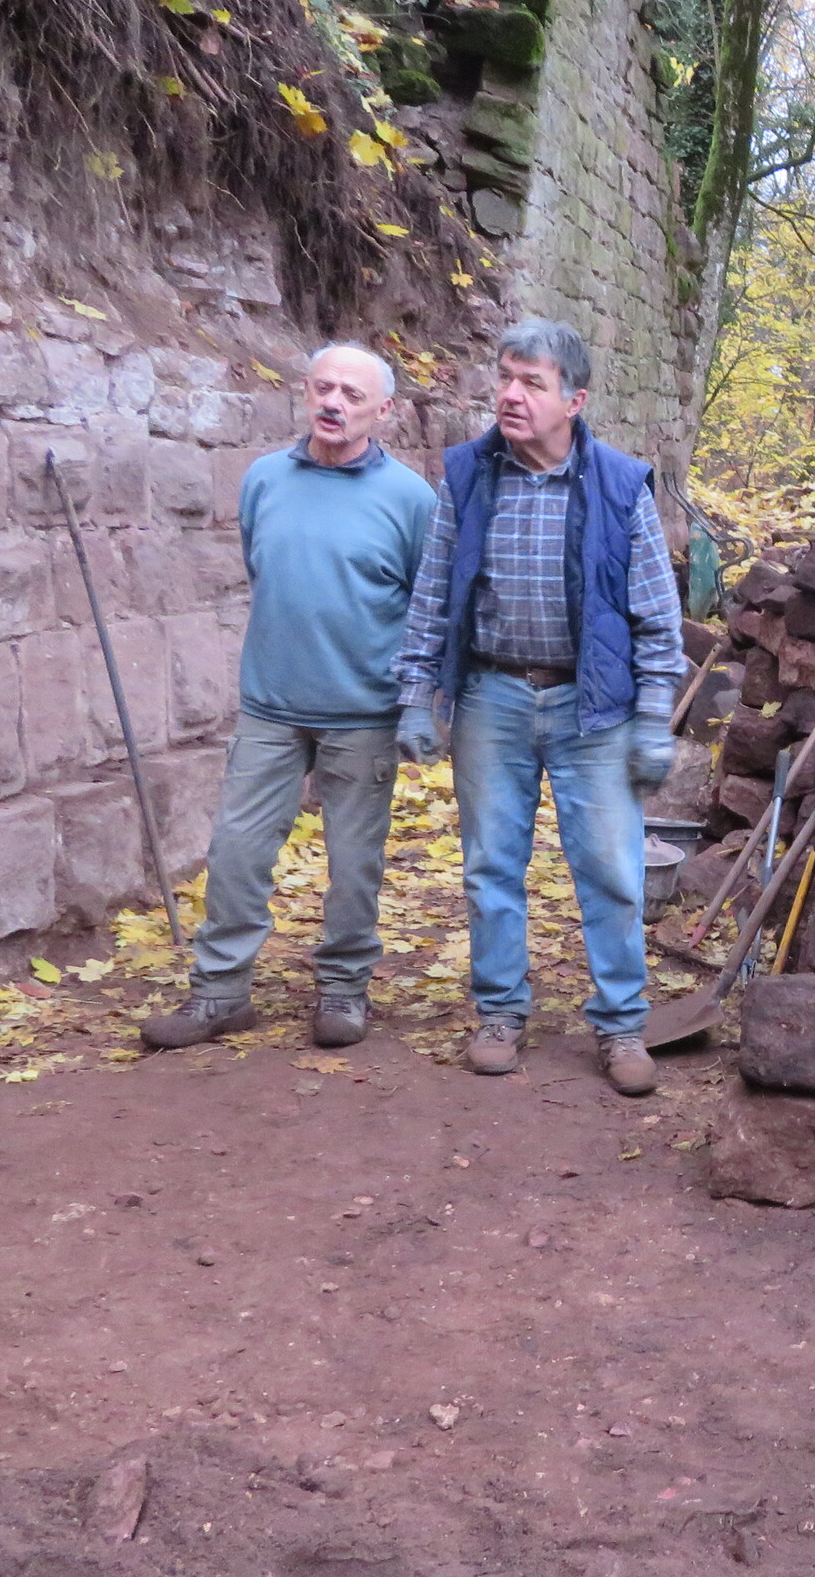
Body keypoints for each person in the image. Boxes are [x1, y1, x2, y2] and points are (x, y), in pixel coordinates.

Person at [394, 318, 684, 1097]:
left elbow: (658, 616)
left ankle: (621, 1024)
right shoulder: (468, 476)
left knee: (612, 872)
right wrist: (417, 697)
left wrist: (654, 717)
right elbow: (433, 594)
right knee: (491, 865)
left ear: (574, 401)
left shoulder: (620, 484)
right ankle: (499, 1014)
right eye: (505, 377)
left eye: (532, 382)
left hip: (594, 708)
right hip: (491, 695)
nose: (511, 395)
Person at [141, 345, 435, 1052]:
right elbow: (263, 568)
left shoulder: (411, 500)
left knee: (354, 866)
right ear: (305, 392)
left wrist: (419, 701)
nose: (334, 403)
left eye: (353, 395)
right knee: (236, 852)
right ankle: (219, 994)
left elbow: (429, 609)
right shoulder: (265, 479)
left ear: (384, 411)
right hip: (270, 707)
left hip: (363, 713)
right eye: (323, 388)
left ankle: (344, 989)